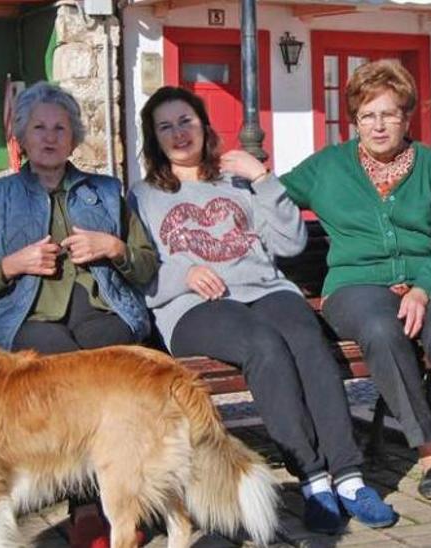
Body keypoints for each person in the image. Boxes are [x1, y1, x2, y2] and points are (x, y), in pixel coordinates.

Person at [226, 60, 431, 500]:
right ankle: (430, 452)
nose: (378, 125)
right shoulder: (328, 166)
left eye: (388, 114)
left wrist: (422, 289)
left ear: (406, 117)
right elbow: (276, 199)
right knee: (382, 331)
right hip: (355, 285)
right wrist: (259, 177)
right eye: (367, 115)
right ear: (355, 121)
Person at [130, 86, 398, 535]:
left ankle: (349, 478)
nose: (179, 133)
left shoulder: (236, 181)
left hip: (266, 289)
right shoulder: (143, 196)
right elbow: (138, 266)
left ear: (203, 126)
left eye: (186, 122)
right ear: (154, 139)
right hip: (195, 306)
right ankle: (312, 478)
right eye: (166, 127)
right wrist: (183, 274)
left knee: (309, 340)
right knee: (263, 345)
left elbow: (291, 243)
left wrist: (262, 179)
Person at [0, 82, 157, 546]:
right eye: (39, 127)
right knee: (66, 381)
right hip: (26, 319)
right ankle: (87, 508)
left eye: (60, 127)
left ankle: (122, 501)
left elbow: (144, 266)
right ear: (20, 135)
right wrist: (12, 264)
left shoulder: (103, 190)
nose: (50, 136)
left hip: (102, 310)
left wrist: (114, 247)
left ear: (75, 137)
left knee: (113, 369)